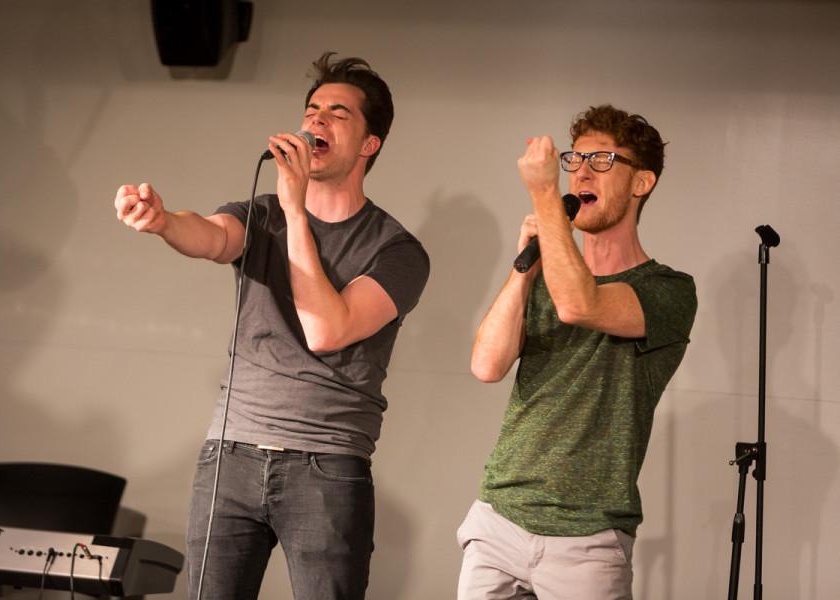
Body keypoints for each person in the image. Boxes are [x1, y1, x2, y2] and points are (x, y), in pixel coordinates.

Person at [114, 52, 429, 600]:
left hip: (326, 465)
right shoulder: (260, 213)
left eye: (338, 113)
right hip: (230, 457)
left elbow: (328, 330)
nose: (317, 121)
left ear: (370, 144)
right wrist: (163, 222)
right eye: (312, 109)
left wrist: (296, 210)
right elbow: (212, 236)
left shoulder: (397, 251)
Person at [458, 105, 697, 600]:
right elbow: (486, 365)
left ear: (642, 183)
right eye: (575, 161)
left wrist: (545, 195)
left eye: (604, 160)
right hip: (499, 516)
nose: (581, 172)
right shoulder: (546, 273)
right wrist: (524, 268)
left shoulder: (668, 289)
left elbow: (579, 304)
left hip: (587, 537)